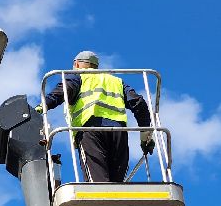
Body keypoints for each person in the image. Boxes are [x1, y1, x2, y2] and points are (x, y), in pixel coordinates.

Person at [43, 50, 154, 183]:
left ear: (76, 64)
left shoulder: (79, 76)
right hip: (119, 133)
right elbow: (139, 103)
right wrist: (145, 136)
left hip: (90, 131)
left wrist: (42, 106)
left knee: (97, 182)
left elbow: (64, 91)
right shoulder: (116, 81)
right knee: (117, 183)